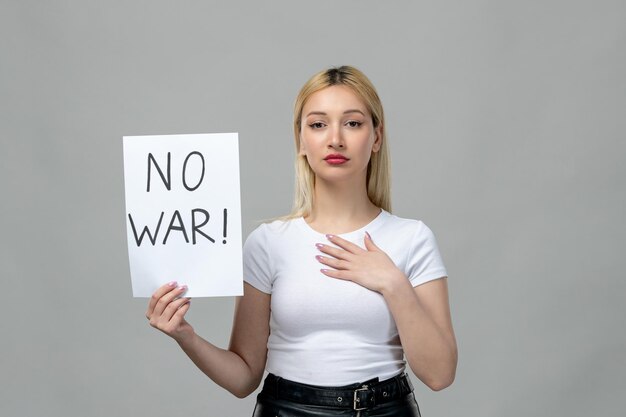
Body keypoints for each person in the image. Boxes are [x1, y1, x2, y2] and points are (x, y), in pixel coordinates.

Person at [146, 66, 457, 416]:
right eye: (318, 124)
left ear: (377, 137)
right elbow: (243, 378)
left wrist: (393, 283)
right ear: (300, 140)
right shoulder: (267, 243)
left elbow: (440, 374)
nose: (335, 139)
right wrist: (185, 335)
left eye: (353, 123)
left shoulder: (411, 238)